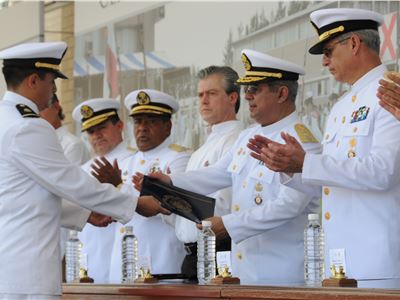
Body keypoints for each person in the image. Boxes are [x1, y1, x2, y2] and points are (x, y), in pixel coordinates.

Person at [134, 50, 321, 284]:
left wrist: (229, 224)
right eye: (247, 89)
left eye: (256, 89)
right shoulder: (248, 135)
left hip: (282, 271)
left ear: (282, 93)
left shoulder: (302, 140)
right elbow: (219, 173)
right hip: (243, 268)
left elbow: (289, 205)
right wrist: (171, 182)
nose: (249, 96)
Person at [0, 41, 167, 300]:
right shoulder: (28, 126)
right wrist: (134, 203)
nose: (54, 89)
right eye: (51, 81)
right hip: (27, 275)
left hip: (11, 271)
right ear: (33, 81)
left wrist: (84, 213)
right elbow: (70, 182)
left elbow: (23, 196)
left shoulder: (5, 120)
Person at [248, 8, 400, 288]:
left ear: (354, 44)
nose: (325, 62)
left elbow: (383, 172)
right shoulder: (342, 106)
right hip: (339, 262)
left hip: (377, 261)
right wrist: (289, 167)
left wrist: (306, 163)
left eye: (329, 51)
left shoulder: (390, 91)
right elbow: (331, 185)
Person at [105, 89, 190, 282]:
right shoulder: (125, 162)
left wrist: (120, 187)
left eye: (151, 121)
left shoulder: (179, 158)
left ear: (168, 126)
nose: (142, 128)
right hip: (123, 264)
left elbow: (169, 206)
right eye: (138, 121)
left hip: (161, 264)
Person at [175, 66, 244, 281]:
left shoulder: (236, 140)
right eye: (200, 95)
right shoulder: (202, 149)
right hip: (192, 255)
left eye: (212, 94)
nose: (204, 101)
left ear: (233, 97)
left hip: (217, 250)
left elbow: (223, 204)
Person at [71, 98, 136, 283]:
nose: (96, 135)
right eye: (91, 131)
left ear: (120, 125)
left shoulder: (136, 160)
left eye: (102, 128)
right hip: (89, 261)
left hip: (126, 259)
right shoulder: (82, 170)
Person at [40, 93, 93, 260]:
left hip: (64, 235)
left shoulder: (71, 144)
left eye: (42, 108)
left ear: (57, 106)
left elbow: (63, 189)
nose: (38, 114)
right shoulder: (38, 142)